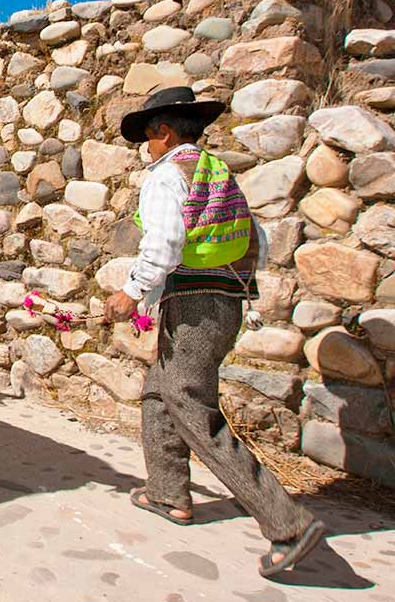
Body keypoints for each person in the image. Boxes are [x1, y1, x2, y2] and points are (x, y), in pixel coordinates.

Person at [104, 86, 323, 579]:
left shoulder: (165, 177)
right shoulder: (215, 172)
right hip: (225, 300)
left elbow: (164, 243)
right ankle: (167, 493)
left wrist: (132, 292)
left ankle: (287, 523)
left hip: (196, 304)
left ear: (164, 131)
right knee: (161, 394)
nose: (147, 147)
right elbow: (256, 241)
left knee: (189, 405)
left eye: (148, 136)